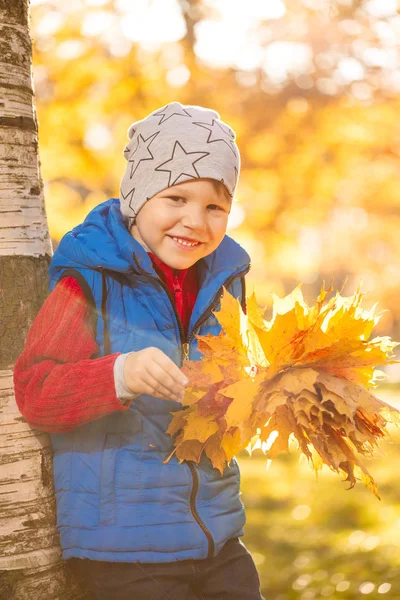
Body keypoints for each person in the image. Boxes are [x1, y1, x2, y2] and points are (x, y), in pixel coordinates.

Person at [14, 102, 263, 600]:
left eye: (215, 206)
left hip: (217, 534)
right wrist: (119, 375)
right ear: (137, 196)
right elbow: (36, 391)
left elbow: (235, 390)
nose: (195, 221)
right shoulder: (91, 280)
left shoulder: (223, 284)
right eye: (175, 197)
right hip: (124, 550)